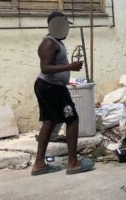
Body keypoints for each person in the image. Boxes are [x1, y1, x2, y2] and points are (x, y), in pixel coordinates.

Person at [31, 12, 94, 176]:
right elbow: (45, 67)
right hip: (51, 87)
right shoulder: (49, 43)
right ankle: (73, 163)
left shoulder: (55, 42)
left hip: (49, 86)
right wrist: (69, 67)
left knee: (49, 121)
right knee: (72, 119)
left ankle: (39, 164)